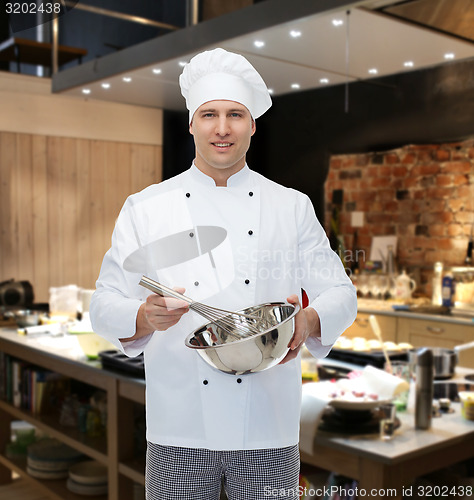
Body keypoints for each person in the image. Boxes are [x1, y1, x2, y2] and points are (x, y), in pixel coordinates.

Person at [90, 47, 357, 500]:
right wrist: (142, 316)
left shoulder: (290, 206)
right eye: (209, 114)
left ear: (252, 124)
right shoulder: (146, 207)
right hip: (180, 427)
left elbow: (341, 292)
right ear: (191, 122)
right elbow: (102, 304)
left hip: (267, 426)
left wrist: (309, 321)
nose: (222, 128)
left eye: (235, 114)